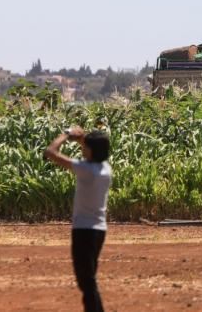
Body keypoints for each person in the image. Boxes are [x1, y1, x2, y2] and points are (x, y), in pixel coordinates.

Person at [44, 126, 112, 312]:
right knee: (89, 277)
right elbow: (91, 151)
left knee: (86, 281)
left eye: (85, 147)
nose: (83, 149)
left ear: (91, 150)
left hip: (83, 230)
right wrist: (83, 139)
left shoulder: (85, 169)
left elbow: (50, 152)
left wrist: (66, 135)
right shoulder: (105, 169)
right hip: (99, 230)